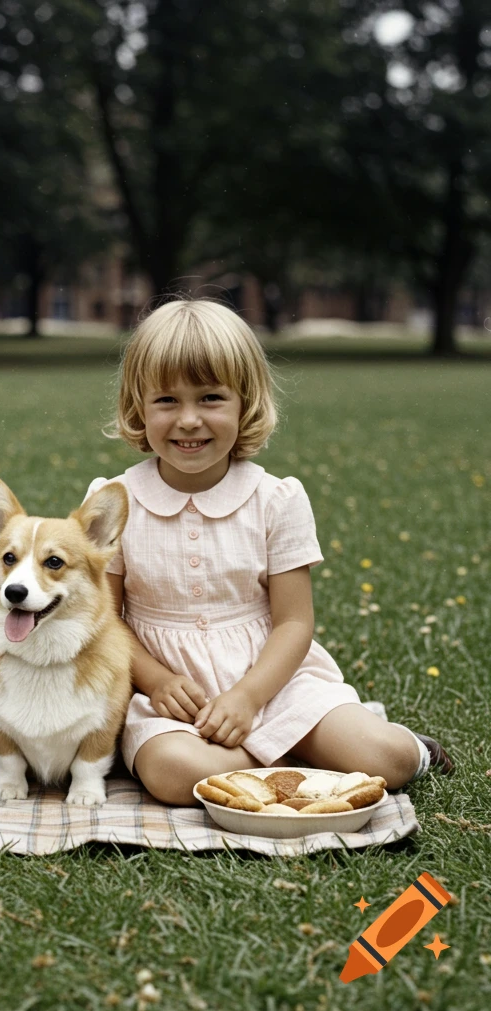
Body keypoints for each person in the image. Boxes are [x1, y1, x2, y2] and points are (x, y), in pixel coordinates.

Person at [87, 299, 452, 806]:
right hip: (170, 696)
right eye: (166, 400)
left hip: (274, 682)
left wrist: (248, 697)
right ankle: (291, 764)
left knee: (384, 757)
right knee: (173, 773)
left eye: (211, 398)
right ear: (137, 407)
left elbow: (294, 624)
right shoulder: (114, 499)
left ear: (245, 404)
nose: (189, 420)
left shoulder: (276, 500)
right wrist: (158, 679)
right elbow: (103, 619)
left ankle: (403, 748)